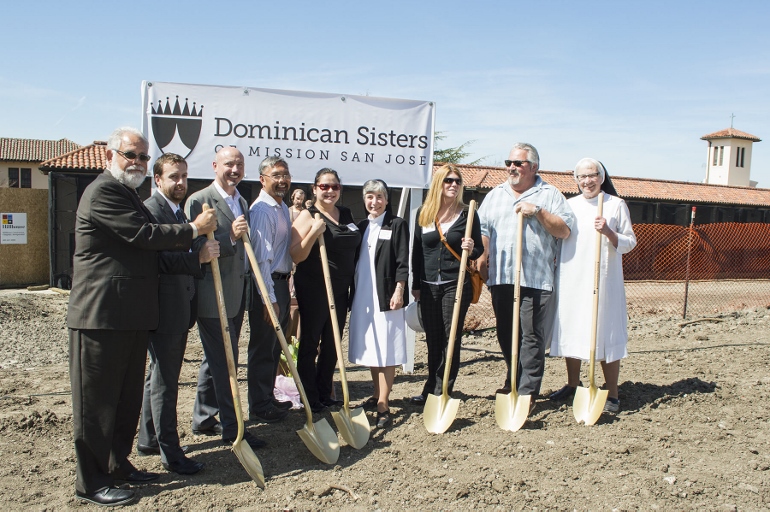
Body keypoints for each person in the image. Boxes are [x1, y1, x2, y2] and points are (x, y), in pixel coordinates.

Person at [67, 127, 217, 506]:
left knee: (126, 399)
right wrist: (192, 231)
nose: (136, 162)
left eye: (143, 156)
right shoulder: (103, 191)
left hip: (132, 316)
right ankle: (91, 481)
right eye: (130, 154)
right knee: (97, 404)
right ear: (109, 156)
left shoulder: (127, 194)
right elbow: (142, 235)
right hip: (100, 316)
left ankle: (118, 464)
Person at [136, 153, 217, 476]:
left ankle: (148, 438)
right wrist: (198, 255)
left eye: (183, 176)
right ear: (157, 179)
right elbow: (158, 260)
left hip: (179, 305)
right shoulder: (151, 211)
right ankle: (171, 452)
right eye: (173, 177)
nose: (180, 182)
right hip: (163, 307)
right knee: (166, 381)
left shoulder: (176, 210)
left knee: (158, 375)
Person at [477, 142, 575, 406]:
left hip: (534, 278)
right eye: (508, 163)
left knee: (530, 335)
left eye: (518, 163)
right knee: (506, 333)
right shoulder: (495, 194)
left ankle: (527, 392)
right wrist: (483, 255)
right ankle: (514, 380)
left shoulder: (550, 194)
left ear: (533, 167)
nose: (511, 168)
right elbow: (483, 229)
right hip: (501, 276)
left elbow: (564, 230)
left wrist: (539, 212)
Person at [186, 147, 265, 449]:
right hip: (212, 295)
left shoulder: (241, 199)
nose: (235, 169)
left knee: (215, 358)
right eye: (229, 164)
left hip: (235, 294)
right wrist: (230, 236)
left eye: (240, 164)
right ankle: (233, 429)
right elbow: (193, 247)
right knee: (225, 363)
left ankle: (203, 416)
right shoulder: (200, 200)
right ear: (215, 165)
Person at [548, 158, 637, 413]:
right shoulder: (569, 206)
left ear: (602, 176)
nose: (588, 181)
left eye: (592, 175)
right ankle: (573, 384)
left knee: (605, 330)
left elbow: (630, 242)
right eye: (582, 177)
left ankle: (612, 392)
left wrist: (609, 232)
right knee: (574, 326)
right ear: (576, 181)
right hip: (573, 276)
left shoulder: (615, 204)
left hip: (604, 279)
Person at [410, 165, 483, 404]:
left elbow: (479, 249)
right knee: (432, 337)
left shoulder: (468, 214)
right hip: (428, 285)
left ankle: (444, 389)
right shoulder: (424, 213)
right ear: (438, 184)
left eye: (457, 181)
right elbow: (417, 252)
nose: (453, 185)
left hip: (456, 282)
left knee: (450, 337)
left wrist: (472, 249)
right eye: (448, 181)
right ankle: (430, 384)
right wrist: (416, 284)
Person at [290, 168, 361, 412]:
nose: (330, 191)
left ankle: (324, 392)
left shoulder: (347, 214)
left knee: (332, 343)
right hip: (315, 287)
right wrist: (313, 232)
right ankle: (309, 397)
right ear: (315, 189)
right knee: (311, 341)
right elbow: (296, 255)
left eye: (334, 187)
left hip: (341, 289)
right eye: (324, 186)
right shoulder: (307, 216)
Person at [348, 180, 409, 428]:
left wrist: (399, 290)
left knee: (388, 349)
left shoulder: (397, 224)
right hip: (363, 297)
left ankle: (384, 402)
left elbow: (403, 261)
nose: (374, 202)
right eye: (370, 197)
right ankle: (375, 394)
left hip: (386, 297)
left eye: (379, 197)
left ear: (387, 199)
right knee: (373, 347)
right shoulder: (361, 227)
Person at [247, 156, 294, 423]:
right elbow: (260, 259)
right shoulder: (262, 211)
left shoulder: (281, 208)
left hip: (281, 282)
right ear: (262, 179)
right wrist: (269, 299)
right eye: (275, 175)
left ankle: (268, 397)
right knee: (263, 347)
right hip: (268, 285)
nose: (281, 180)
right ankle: (259, 405)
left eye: (285, 174)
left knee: (275, 346)